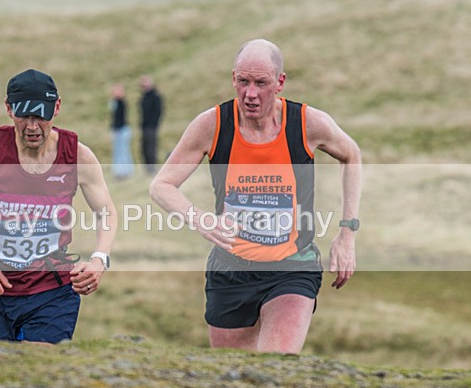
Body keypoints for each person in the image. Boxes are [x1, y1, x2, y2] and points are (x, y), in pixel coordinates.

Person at [149, 39, 361, 354]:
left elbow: (352, 155)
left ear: (280, 82)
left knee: (276, 364)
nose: (250, 93)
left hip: (293, 266)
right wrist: (200, 219)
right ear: (233, 78)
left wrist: (347, 233)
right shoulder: (212, 125)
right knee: (233, 377)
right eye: (243, 82)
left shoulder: (306, 123)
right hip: (230, 269)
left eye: (261, 83)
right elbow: (161, 185)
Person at [0, 69, 117, 344]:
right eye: (24, 115)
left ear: (57, 108)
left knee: (41, 373)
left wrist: (100, 259)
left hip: (53, 290)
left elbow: (106, 211)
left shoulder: (77, 156)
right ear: (8, 108)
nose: (32, 126)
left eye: (41, 116)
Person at [139, 74, 163, 174]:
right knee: (144, 149)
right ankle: (147, 169)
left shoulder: (155, 96)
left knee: (151, 148)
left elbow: (158, 111)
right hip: (145, 127)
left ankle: (152, 169)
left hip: (152, 127)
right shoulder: (144, 97)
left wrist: (154, 123)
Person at [109, 83, 134, 179]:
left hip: (122, 130)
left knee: (123, 151)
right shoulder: (115, 102)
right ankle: (120, 171)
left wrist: (117, 128)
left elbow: (120, 118)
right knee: (118, 151)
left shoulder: (121, 103)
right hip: (118, 130)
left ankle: (125, 171)